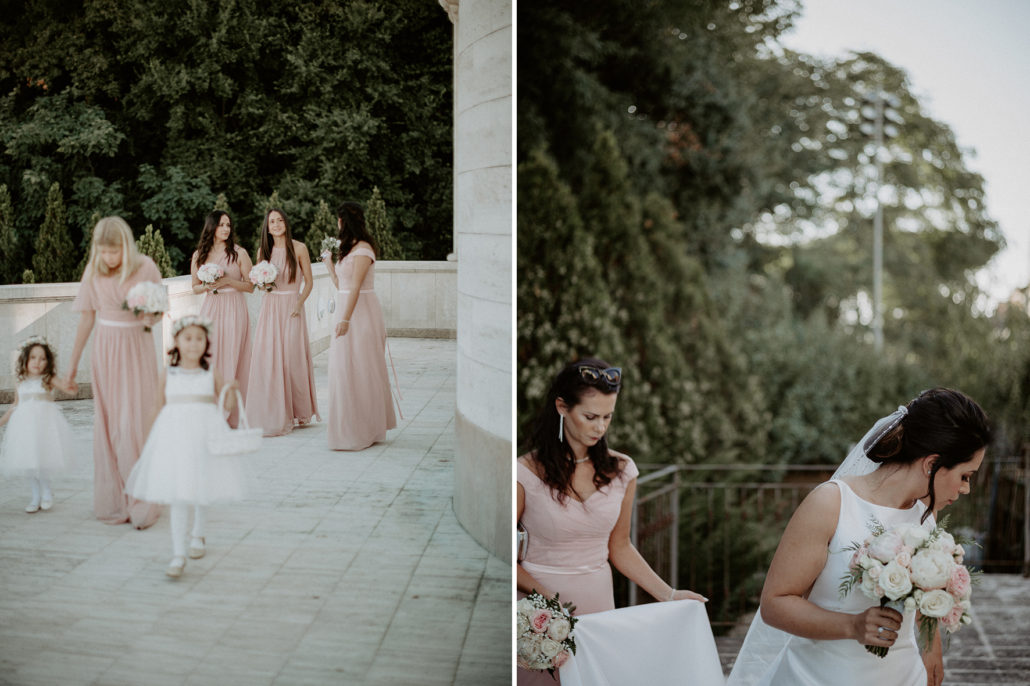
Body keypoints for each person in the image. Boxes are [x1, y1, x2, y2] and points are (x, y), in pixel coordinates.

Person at [727, 387, 991, 686]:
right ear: (931, 464)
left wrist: (931, 647)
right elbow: (775, 604)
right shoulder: (831, 503)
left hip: (903, 675)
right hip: (820, 677)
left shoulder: (924, 516)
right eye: (965, 476)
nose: (966, 489)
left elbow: (921, 592)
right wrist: (852, 625)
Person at [516, 358, 706, 685]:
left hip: (599, 607)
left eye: (607, 417)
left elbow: (620, 547)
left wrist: (669, 594)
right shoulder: (523, 473)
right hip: (538, 611)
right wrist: (548, 602)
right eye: (590, 416)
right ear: (562, 407)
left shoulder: (622, 471)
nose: (600, 427)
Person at [124, 316, 246, 578]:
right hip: (174, 439)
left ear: (206, 343)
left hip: (204, 437)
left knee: (201, 487)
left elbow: (226, 407)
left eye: (199, 339)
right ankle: (178, 554)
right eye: (188, 338)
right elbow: (157, 408)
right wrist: (148, 445)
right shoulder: (168, 374)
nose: (193, 344)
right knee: (179, 493)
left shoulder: (210, 373)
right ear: (177, 342)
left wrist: (232, 392)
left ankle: (198, 535)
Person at [63, 216, 164, 528]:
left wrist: (149, 316)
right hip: (105, 349)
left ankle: (143, 496)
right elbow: (85, 320)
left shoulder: (145, 266)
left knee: (136, 420)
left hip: (136, 345)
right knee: (110, 424)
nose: (109, 258)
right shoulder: (93, 271)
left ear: (126, 246)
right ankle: (115, 498)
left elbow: (158, 312)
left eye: (114, 251)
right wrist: (71, 365)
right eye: (104, 252)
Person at [321, 201, 397, 450]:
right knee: (344, 369)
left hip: (361, 314)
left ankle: (366, 428)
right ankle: (349, 426)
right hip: (347, 309)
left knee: (363, 368)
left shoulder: (364, 249)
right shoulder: (348, 249)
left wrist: (345, 319)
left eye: (338, 219)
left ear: (344, 221)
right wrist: (330, 265)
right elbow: (341, 286)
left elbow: (355, 287)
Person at [245, 208, 319, 436]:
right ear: (267, 228)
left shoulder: (299, 248)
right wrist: (263, 283)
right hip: (270, 308)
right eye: (271, 222)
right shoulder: (263, 251)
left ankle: (299, 410)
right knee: (270, 358)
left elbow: (309, 282)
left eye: (279, 220)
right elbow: (259, 284)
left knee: (292, 358)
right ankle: (275, 409)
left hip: (291, 308)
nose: (276, 225)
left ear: (286, 223)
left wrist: (299, 304)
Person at [190, 210, 253, 427]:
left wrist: (227, 281)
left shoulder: (239, 253)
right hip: (211, 309)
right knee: (210, 357)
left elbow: (251, 286)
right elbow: (195, 288)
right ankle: (209, 411)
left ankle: (232, 413)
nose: (226, 229)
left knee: (233, 357)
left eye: (228, 225)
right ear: (211, 228)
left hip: (234, 309)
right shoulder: (199, 255)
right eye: (221, 225)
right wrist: (207, 285)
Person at [0, 338, 76, 512]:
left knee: (42, 459)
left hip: (44, 426)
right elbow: (15, 405)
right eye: (33, 357)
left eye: (42, 359)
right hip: (24, 428)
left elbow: (68, 388)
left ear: (48, 362)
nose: (37, 362)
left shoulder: (48, 379)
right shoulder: (20, 381)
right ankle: (35, 495)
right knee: (29, 461)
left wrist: (70, 383)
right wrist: (2, 421)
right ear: (25, 359)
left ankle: (47, 492)